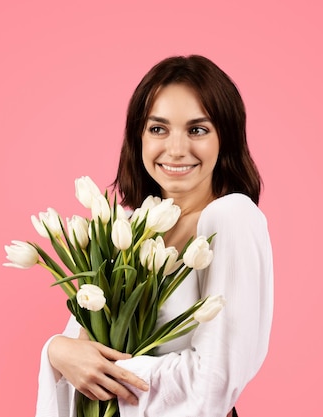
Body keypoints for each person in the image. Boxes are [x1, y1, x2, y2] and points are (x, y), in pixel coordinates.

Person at [35, 55, 273, 417]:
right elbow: (80, 347)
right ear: (138, 136)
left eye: (197, 129)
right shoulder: (127, 229)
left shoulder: (230, 217)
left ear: (226, 137)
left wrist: (111, 376)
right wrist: (55, 351)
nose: (176, 150)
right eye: (158, 129)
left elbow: (214, 383)